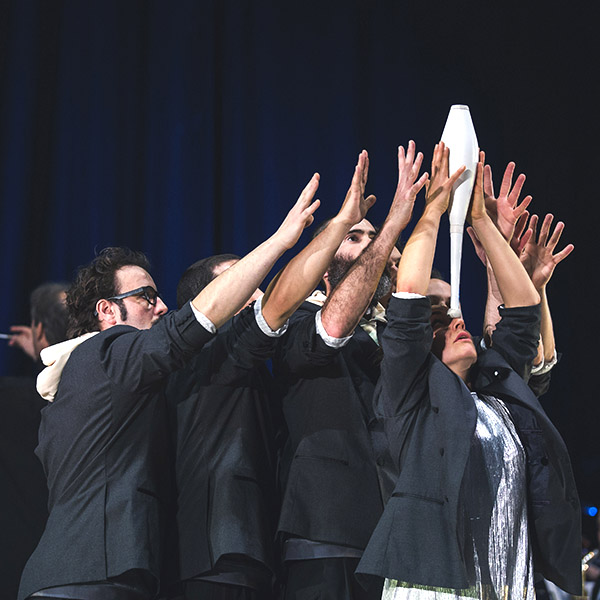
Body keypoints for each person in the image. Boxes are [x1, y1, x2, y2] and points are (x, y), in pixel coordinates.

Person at [18, 188, 320, 600]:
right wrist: (281, 241)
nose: (160, 307)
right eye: (145, 297)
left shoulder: (87, 378)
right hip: (92, 577)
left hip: (81, 576)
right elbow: (191, 324)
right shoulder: (107, 353)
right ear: (108, 311)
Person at [356, 144, 581, 599]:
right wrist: (435, 210)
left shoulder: (496, 393)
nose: (460, 323)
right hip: (437, 585)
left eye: (458, 319)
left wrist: (481, 220)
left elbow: (523, 311)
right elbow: (409, 300)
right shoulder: (408, 395)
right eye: (442, 323)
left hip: (509, 580)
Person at [166, 151, 377, 600]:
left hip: (255, 553)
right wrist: (316, 231)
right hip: (219, 551)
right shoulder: (206, 358)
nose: (259, 294)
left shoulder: (256, 366)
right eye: (244, 286)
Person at [274, 142, 430, 600]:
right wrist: (394, 225)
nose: (372, 244)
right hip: (327, 527)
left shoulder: (392, 332)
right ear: (322, 270)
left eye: (373, 235)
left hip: (396, 529)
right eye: (353, 236)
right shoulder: (297, 318)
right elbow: (335, 326)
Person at [1, 283, 68, 600]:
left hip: (15, 569)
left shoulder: (8, 399)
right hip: (77, 567)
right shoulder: (104, 398)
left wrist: (43, 352)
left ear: (38, 329)